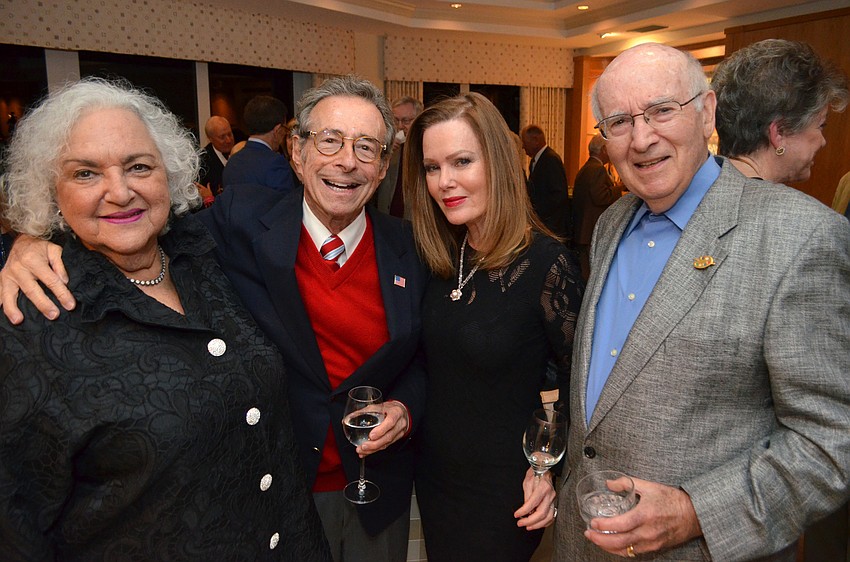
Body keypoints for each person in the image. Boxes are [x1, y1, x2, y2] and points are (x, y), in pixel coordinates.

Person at [0, 75, 427, 562]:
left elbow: (423, 357)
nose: (346, 160)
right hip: (278, 490)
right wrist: (31, 241)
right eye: (330, 140)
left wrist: (406, 407)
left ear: (383, 166)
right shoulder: (235, 222)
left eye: (367, 147)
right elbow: (127, 220)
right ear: (297, 152)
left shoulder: (410, 249)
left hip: (373, 487)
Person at [553, 43, 850, 561]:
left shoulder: (801, 236)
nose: (642, 139)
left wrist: (695, 511)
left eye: (662, 110)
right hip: (582, 544)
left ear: (707, 112)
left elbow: (830, 443)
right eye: (619, 122)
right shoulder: (611, 224)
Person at [404, 92, 584, 561]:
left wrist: (545, 467)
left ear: (500, 165)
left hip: (503, 489)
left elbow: (570, 381)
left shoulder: (548, 264)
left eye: (462, 161)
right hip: (437, 478)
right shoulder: (439, 257)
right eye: (431, 167)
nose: (445, 182)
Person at [712, 39, 850, 562]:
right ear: (779, 135)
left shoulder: (675, 208)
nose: (820, 142)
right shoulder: (813, 233)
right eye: (817, 127)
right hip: (744, 522)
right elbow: (827, 438)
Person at [711, 38, 849, 185]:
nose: (823, 141)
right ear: (779, 133)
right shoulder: (799, 208)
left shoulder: (692, 194)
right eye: (821, 125)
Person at [223, 94, 296, 194]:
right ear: (277, 130)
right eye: (284, 129)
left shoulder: (232, 162)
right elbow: (286, 206)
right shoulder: (276, 163)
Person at [572, 133, 621, 281]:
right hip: (591, 228)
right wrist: (619, 188)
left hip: (582, 229)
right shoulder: (597, 169)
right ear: (604, 149)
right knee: (591, 275)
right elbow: (601, 197)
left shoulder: (585, 168)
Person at [372, 96, 423, 218]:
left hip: (414, 222)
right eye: (395, 120)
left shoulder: (426, 149)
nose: (400, 126)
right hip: (387, 219)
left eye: (406, 121)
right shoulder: (388, 147)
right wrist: (385, 150)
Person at [520, 124, 571, 239]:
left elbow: (558, 196)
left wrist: (543, 221)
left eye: (524, 142)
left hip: (551, 227)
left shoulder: (550, 159)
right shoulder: (536, 161)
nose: (523, 147)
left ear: (535, 140)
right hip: (542, 225)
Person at [198, 115, 235, 196]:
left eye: (230, 134)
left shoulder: (240, 151)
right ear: (210, 139)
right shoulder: (202, 163)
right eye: (222, 137)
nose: (228, 140)